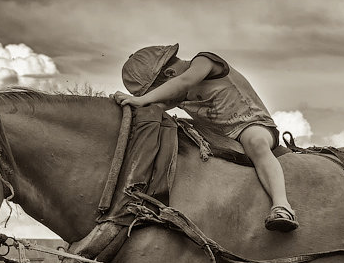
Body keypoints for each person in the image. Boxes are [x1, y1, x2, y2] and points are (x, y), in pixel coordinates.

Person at [112, 44, 298, 232]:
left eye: (158, 90)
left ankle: (281, 205)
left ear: (169, 74)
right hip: (217, 136)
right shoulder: (180, 94)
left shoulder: (204, 61)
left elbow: (184, 81)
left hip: (251, 125)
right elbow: (157, 107)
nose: (161, 96)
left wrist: (142, 99)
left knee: (256, 144)